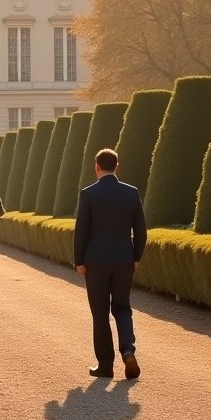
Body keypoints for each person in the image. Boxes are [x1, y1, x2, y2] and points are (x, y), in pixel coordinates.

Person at [73, 148, 147, 380]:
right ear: (117, 166)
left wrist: (79, 261)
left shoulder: (88, 194)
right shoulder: (131, 193)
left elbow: (81, 231)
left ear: (96, 167)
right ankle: (128, 351)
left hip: (95, 262)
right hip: (124, 260)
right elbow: (141, 232)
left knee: (100, 313)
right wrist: (136, 257)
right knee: (123, 308)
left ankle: (105, 365)